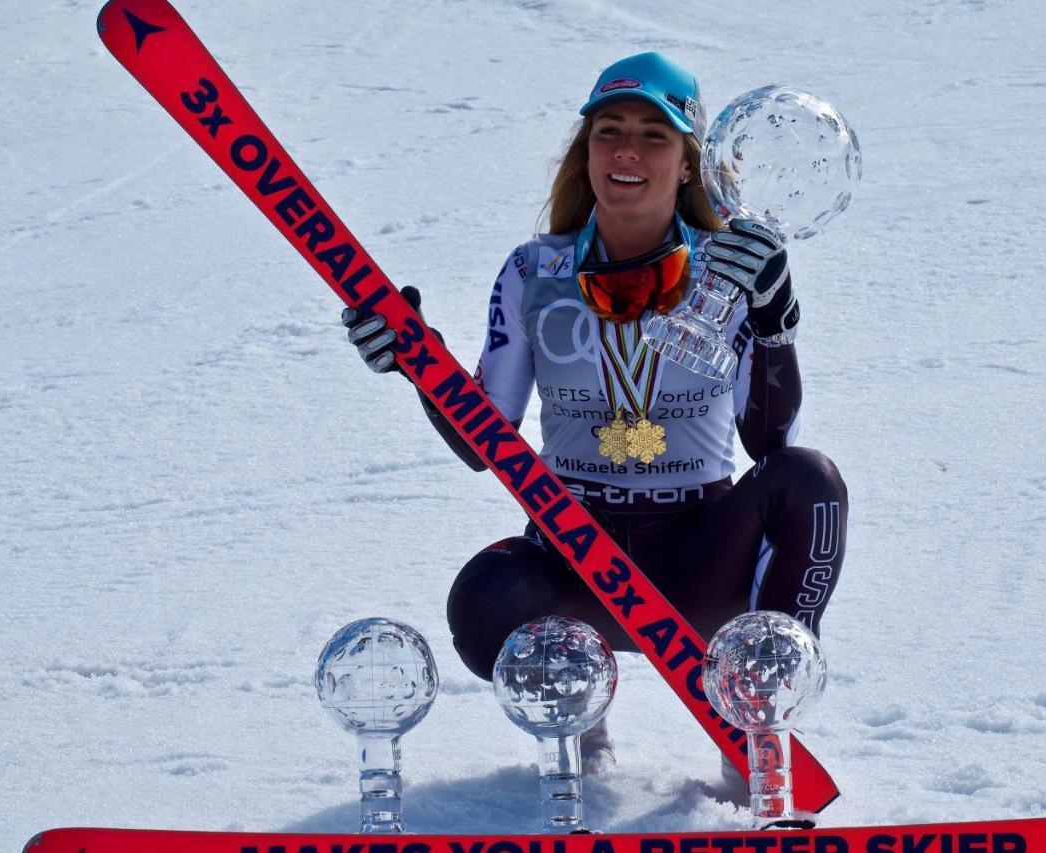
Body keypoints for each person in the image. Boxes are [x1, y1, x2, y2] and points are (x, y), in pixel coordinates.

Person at [343, 52, 847, 775]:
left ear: (687, 165)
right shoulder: (534, 270)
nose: (628, 152)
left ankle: (758, 722)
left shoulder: (729, 268)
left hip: (700, 554)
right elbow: (486, 438)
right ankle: (580, 725)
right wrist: (419, 360)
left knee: (810, 482)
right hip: (578, 546)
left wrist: (775, 321)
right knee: (485, 603)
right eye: (609, 131)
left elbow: (769, 442)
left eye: (655, 135)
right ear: (586, 152)